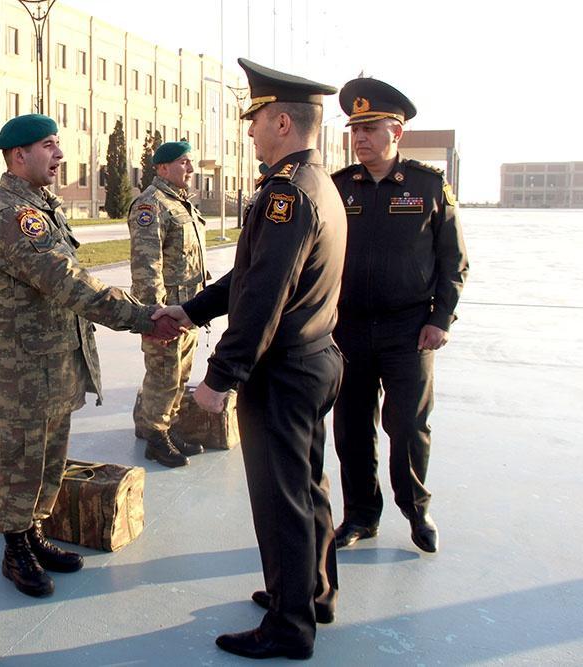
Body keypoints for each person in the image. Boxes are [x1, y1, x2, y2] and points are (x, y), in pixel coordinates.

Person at [155, 59, 345, 660]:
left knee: (280, 498)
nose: (250, 131)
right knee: (307, 487)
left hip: (284, 370)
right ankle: (312, 593)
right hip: (315, 359)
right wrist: (192, 311)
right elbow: (253, 274)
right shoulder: (315, 182)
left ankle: (290, 629)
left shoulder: (287, 192)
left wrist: (221, 378)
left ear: (282, 121)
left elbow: (265, 295)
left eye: (256, 118)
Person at [0, 114, 182, 598]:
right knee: (23, 459)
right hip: (20, 369)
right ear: (18, 155)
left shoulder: (40, 206)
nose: (60, 155)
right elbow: (69, 282)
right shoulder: (12, 216)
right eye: (50, 146)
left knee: (49, 458)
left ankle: (34, 531)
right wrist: (145, 317)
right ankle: (15, 544)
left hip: (51, 361)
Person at [330, 78, 469, 554]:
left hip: (409, 331)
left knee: (407, 426)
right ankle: (361, 516)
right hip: (346, 329)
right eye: (355, 129)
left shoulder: (428, 186)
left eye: (371, 127)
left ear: (398, 132)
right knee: (351, 426)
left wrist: (441, 319)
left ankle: (416, 510)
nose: (361, 137)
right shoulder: (338, 187)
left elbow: (454, 261)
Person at [129, 140, 209, 468]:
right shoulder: (152, 205)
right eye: (183, 163)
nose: (190, 169)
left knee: (180, 373)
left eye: (190, 163)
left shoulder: (181, 203)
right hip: (167, 311)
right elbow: (147, 266)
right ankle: (155, 437)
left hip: (188, 307)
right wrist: (153, 316)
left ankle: (167, 426)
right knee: (163, 372)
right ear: (162, 168)